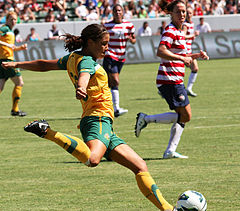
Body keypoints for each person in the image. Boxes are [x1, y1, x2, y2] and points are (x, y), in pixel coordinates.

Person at [2, 23, 176, 211]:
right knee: (93, 160)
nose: (106, 48)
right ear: (91, 42)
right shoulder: (87, 61)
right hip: (97, 119)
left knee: (140, 166)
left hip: (103, 124)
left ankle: (168, 209)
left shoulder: (72, 58)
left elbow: (45, 65)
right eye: (104, 44)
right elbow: (85, 74)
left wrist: (17, 64)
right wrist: (81, 87)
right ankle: (48, 132)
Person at [135, 0, 209, 159]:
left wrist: (196, 56)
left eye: (184, 11)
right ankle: (146, 119)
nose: (182, 14)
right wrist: (181, 59)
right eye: (179, 11)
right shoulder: (170, 30)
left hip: (175, 79)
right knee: (186, 116)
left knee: (183, 115)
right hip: (169, 79)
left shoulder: (179, 31)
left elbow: (180, 55)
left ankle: (170, 150)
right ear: (171, 13)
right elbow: (161, 51)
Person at [103, 4, 136, 117]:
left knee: (109, 84)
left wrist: (131, 39)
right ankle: (116, 108)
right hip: (110, 56)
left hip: (121, 57)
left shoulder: (129, 25)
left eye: (119, 11)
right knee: (115, 81)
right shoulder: (107, 26)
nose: (117, 13)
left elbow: (134, 39)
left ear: (123, 12)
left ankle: (108, 108)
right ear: (112, 12)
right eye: (115, 11)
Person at [0, 11, 27, 116]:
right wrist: (6, 44)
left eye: (15, 19)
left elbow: (12, 48)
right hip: (7, 61)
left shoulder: (10, 31)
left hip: (3, 60)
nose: (13, 21)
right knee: (19, 83)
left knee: (0, 86)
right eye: (11, 19)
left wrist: (20, 48)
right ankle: (15, 110)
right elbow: (7, 45)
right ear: (7, 20)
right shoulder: (5, 28)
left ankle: (15, 110)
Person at [182, 7, 200, 97]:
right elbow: (183, 36)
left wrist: (192, 36)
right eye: (187, 13)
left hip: (189, 49)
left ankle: (188, 88)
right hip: (184, 50)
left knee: (194, 68)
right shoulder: (185, 24)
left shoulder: (192, 24)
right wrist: (193, 35)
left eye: (190, 13)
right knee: (181, 70)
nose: (189, 15)